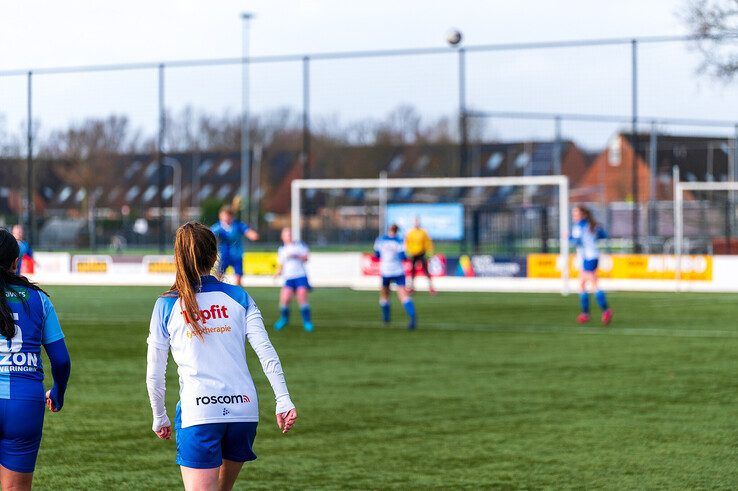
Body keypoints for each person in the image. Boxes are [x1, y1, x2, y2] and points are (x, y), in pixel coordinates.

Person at [146, 222, 297, 491]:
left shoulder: (167, 304)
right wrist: (283, 399)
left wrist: (160, 416)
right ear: (215, 255)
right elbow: (266, 351)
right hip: (244, 411)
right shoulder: (240, 296)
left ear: (177, 257)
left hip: (200, 412)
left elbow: (155, 371)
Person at [0, 228, 71, 490]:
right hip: (26, 402)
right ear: (15, 262)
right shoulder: (39, 299)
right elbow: (61, 361)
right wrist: (59, 392)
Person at [570, 206, 613, 325]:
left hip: (588, 257)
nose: (574, 216)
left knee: (592, 283)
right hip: (592, 256)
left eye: (576, 213)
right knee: (583, 284)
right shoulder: (592, 224)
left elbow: (576, 241)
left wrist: (567, 237)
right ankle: (586, 313)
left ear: (582, 214)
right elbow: (603, 235)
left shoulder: (579, 226)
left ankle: (605, 310)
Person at [373, 224, 417, 330]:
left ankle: (386, 318)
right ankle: (412, 316)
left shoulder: (380, 240)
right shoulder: (400, 240)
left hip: (386, 271)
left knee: (384, 294)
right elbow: (403, 256)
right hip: (398, 271)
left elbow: (377, 255)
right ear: (397, 231)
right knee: (403, 295)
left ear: (388, 230)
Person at [274, 228, 313, 333]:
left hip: (300, 276)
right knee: (285, 299)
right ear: (282, 237)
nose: (289, 236)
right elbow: (281, 264)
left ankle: (307, 322)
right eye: (286, 234)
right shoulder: (282, 250)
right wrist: (277, 272)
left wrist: (296, 255)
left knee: (302, 297)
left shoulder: (299, 245)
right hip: (288, 278)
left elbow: (306, 258)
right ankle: (284, 319)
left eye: (290, 234)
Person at [211, 206, 259, 286]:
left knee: (238, 276)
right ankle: (218, 290)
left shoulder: (237, 225)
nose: (225, 218)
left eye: (227, 215)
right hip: (224, 255)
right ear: (220, 216)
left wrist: (252, 235)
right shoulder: (217, 227)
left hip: (237, 254)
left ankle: (238, 294)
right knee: (219, 276)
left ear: (231, 216)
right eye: (223, 215)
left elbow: (248, 232)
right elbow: (210, 234)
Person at [404, 217, 436, 295]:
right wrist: (407, 252)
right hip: (413, 254)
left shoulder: (423, 232)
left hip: (422, 253)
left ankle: (431, 287)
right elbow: (407, 243)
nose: (416, 223)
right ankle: (411, 287)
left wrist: (430, 252)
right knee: (412, 272)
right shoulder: (410, 232)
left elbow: (428, 243)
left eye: (417, 222)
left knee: (426, 271)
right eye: (415, 222)